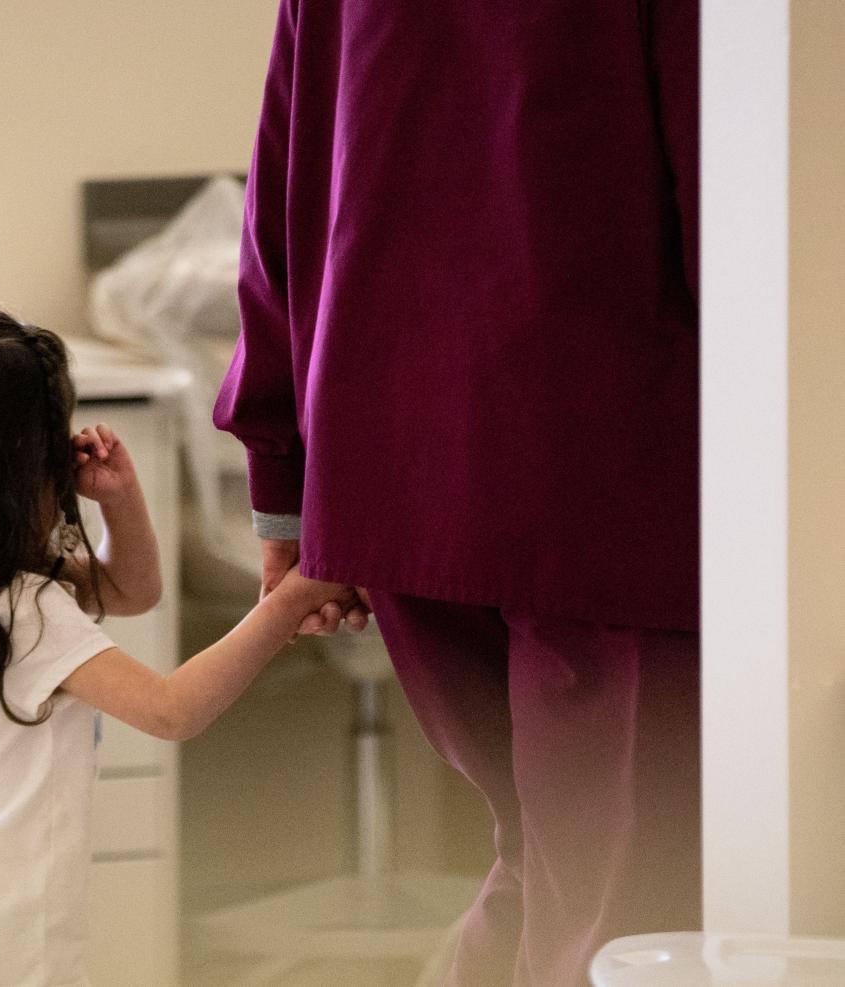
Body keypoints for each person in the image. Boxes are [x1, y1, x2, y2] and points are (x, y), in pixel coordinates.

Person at [214, 1, 699, 985]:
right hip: (604, 488)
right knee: (622, 912)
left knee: (543, 866)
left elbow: (278, 192)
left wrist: (287, 486)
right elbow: (736, 194)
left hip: (390, 478)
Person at [0, 310, 349, 987]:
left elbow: (129, 590)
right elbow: (171, 709)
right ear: (15, 467)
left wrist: (119, 503)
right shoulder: (20, 608)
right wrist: (291, 601)